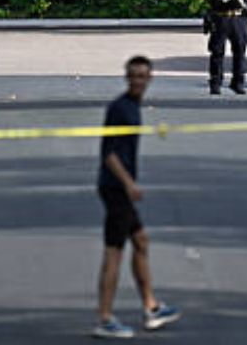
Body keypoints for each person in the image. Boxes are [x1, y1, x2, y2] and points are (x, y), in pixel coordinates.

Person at [93, 56, 182, 338]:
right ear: (126, 77)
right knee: (114, 253)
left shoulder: (132, 107)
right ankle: (105, 318)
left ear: (150, 78)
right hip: (115, 188)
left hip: (119, 188)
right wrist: (129, 184)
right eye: (134, 76)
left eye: (143, 76)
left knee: (141, 240)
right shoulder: (119, 108)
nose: (138, 81)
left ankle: (151, 306)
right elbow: (108, 154)